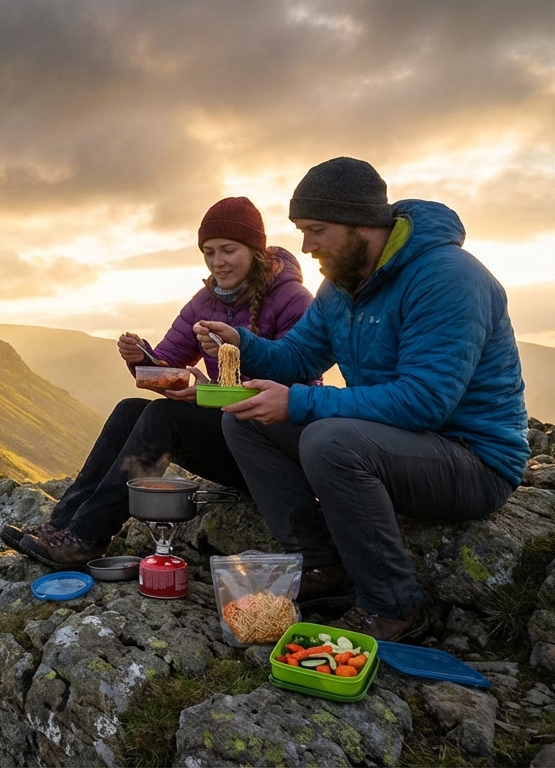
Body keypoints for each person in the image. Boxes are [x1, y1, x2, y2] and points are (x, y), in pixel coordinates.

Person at [194, 157, 528, 642]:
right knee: (245, 419)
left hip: (473, 460)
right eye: (302, 231)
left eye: (317, 230)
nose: (306, 247)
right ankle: (323, 566)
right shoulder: (341, 284)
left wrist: (301, 406)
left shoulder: (447, 277)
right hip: (399, 445)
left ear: (362, 225)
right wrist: (242, 344)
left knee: (331, 440)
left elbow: (425, 402)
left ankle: (394, 606)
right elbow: (296, 356)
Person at [2, 196, 314, 568]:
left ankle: (87, 537)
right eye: (209, 252)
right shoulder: (205, 301)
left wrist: (209, 388)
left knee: (163, 418)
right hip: (226, 429)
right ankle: (62, 525)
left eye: (229, 250)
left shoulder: (292, 298)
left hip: (267, 445)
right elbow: (168, 364)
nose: (218, 262)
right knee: (129, 410)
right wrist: (142, 360)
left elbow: (294, 377)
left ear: (255, 250)